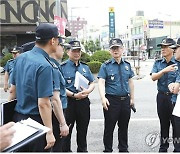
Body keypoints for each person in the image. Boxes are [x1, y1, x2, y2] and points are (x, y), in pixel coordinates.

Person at [8, 23, 60, 152]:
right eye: (58, 39)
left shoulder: (20, 59)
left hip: (18, 118)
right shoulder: (45, 65)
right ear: (52, 40)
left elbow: (12, 90)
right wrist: (49, 132)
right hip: (37, 123)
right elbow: (43, 103)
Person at [98, 38, 135, 152]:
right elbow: (101, 82)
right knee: (109, 128)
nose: (115, 50)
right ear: (110, 51)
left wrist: (132, 98)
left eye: (118, 48)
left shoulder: (127, 65)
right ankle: (108, 149)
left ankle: (123, 149)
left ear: (122, 49)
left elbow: (131, 82)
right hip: (111, 100)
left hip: (125, 100)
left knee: (124, 127)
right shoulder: (106, 66)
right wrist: (103, 98)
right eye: (113, 48)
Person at [61, 40, 95, 152]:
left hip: (83, 103)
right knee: (66, 133)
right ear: (68, 52)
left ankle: (82, 151)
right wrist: (75, 95)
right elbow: (60, 88)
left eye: (78, 51)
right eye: (74, 51)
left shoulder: (85, 67)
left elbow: (92, 82)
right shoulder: (62, 67)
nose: (77, 53)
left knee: (83, 131)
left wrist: (88, 91)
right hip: (69, 103)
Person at [150, 38, 179, 152]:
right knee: (163, 123)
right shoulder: (158, 63)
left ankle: (177, 148)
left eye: (166, 47)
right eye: (162, 47)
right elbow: (153, 77)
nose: (163, 49)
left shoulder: (178, 62)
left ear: (172, 49)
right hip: (161, 96)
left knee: (176, 124)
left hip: (174, 97)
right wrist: (164, 71)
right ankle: (163, 147)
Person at [49, 37, 69, 152]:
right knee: (57, 147)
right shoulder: (52, 67)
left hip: (59, 110)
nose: (63, 50)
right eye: (62, 46)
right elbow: (54, 99)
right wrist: (62, 123)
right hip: (56, 113)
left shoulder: (57, 65)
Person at [168, 38, 180, 151]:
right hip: (177, 106)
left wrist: (175, 86)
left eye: (176, 48)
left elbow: (176, 89)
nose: (174, 51)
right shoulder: (178, 64)